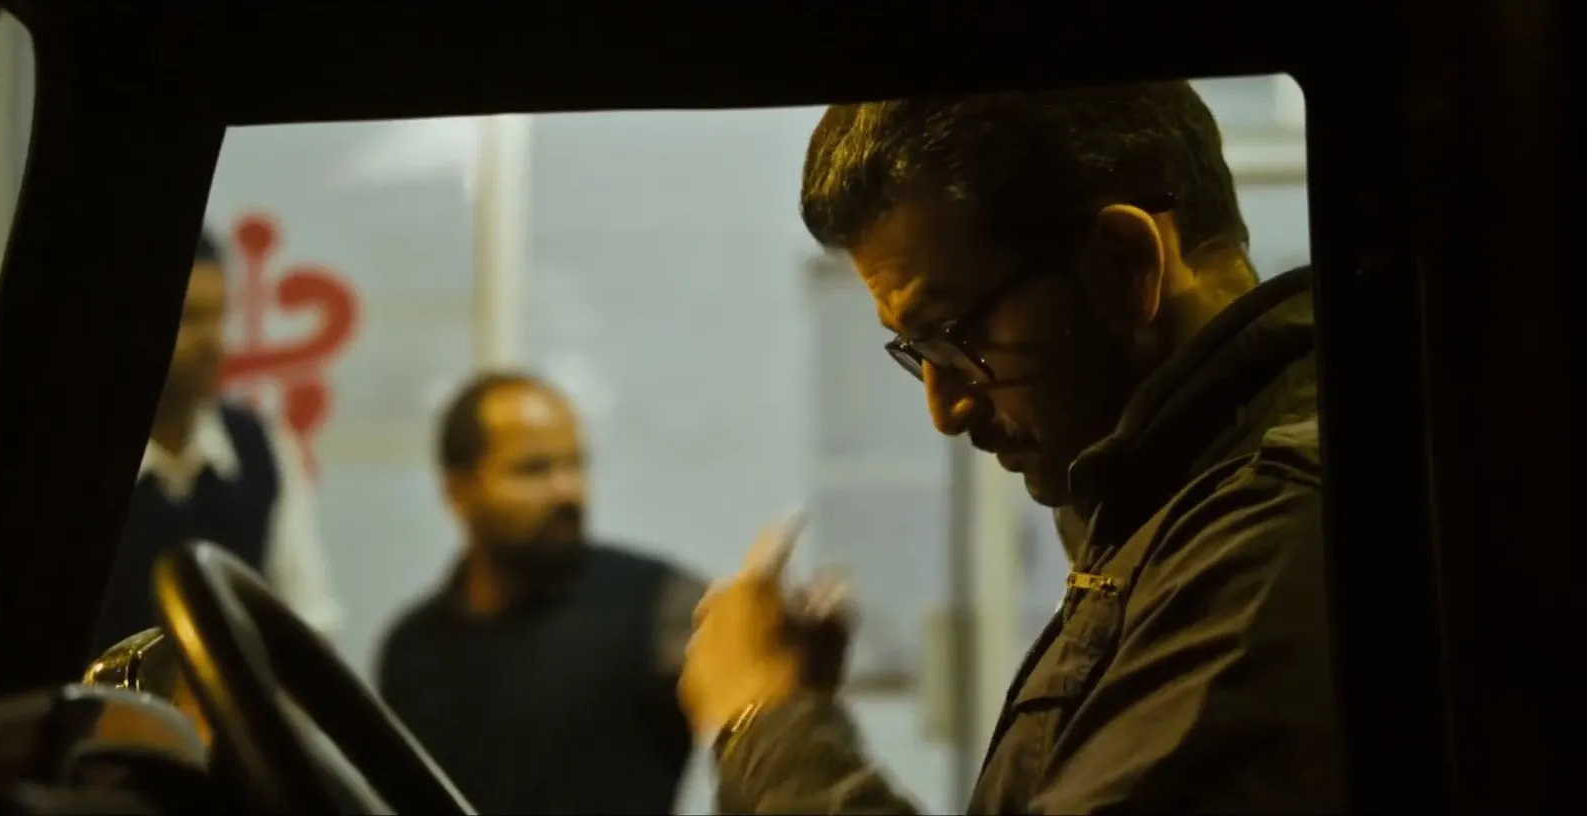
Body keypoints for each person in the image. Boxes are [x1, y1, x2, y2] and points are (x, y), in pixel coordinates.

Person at [682, 83, 1342, 813]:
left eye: (957, 336)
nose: (946, 410)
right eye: (918, 352)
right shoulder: (1165, 516)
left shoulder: (1272, 536)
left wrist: (766, 720)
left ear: (1124, 264)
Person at [375, 372, 706, 815]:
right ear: (457, 489)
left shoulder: (659, 606)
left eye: (575, 464)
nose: (567, 490)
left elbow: (763, 717)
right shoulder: (412, 652)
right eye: (533, 469)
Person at [90, 230, 344, 655]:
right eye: (189, 318)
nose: (212, 341)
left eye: (220, 316)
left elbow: (308, 615)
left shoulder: (261, 447)